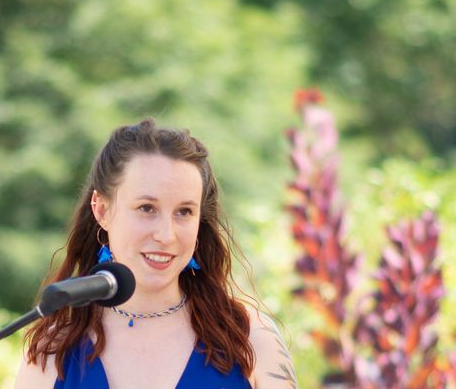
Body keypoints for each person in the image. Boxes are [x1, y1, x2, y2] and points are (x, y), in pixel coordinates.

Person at [15, 118, 297, 389]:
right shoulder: (52, 351)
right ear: (101, 209)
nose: (166, 234)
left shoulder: (250, 337)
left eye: (184, 212)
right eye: (147, 208)